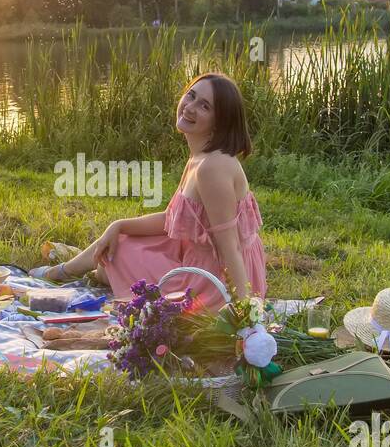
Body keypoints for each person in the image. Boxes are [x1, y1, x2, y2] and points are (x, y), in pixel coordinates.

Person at [32, 72, 267, 310]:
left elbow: (231, 247)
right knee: (120, 240)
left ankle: (65, 273)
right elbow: (171, 217)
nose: (190, 107)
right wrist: (118, 224)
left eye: (204, 106)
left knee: (117, 256)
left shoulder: (212, 168)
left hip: (213, 279)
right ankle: (65, 271)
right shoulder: (200, 157)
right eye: (191, 95)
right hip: (193, 253)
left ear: (220, 121)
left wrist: (244, 311)